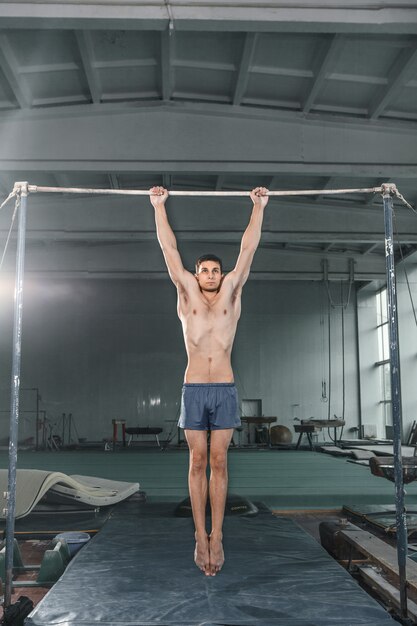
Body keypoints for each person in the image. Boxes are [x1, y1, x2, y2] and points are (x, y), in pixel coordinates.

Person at [150, 185, 269, 576]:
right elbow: (170, 250)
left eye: (216, 270)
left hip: (224, 388)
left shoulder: (233, 293)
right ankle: (199, 535)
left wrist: (258, 207)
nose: (212, 275)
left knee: (219, 461)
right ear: (196, 274)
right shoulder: (187, 296)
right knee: (197, 460)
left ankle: (218, 535)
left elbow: (248, 249)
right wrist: (158, 206)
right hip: (195, 387)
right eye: (205, 270)